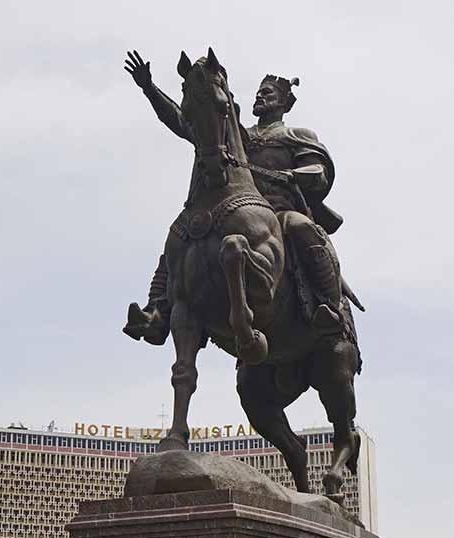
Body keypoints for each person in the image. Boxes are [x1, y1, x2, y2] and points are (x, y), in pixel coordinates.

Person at [123, 50, 363, 345]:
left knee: (301, 226)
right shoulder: (236, 134)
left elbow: (319, 170)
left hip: (278, 211)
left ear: (285, 102)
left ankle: (328, 307)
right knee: (184, 235)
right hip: (234, 208)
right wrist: (149, 88)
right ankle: (158, 311)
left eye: (268, 93)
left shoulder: (296, 135)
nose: (260, 96)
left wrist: (295, 175)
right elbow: (184, 122)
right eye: (259, 92)